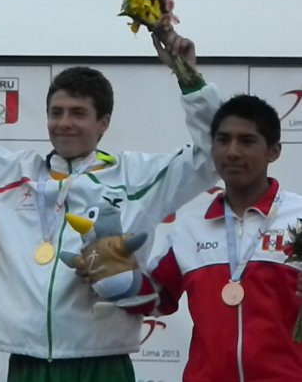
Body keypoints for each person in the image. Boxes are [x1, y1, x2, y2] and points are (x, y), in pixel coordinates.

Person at [0, 25, 220, 381]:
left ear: (103, 122)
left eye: (78, 113)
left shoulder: (136, 176)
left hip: (102, 361)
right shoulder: (7, 172)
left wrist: (189, 78)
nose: (64, 123)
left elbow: (215, 155)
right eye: (56, 112)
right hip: (27, 362)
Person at [128, 95, 302, 381]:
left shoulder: (298, 216)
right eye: (223, 140)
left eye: (247, 141)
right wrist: (114, 279)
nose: (232, 152)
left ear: (273, 151)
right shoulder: (190, 225)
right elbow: (158, 297)